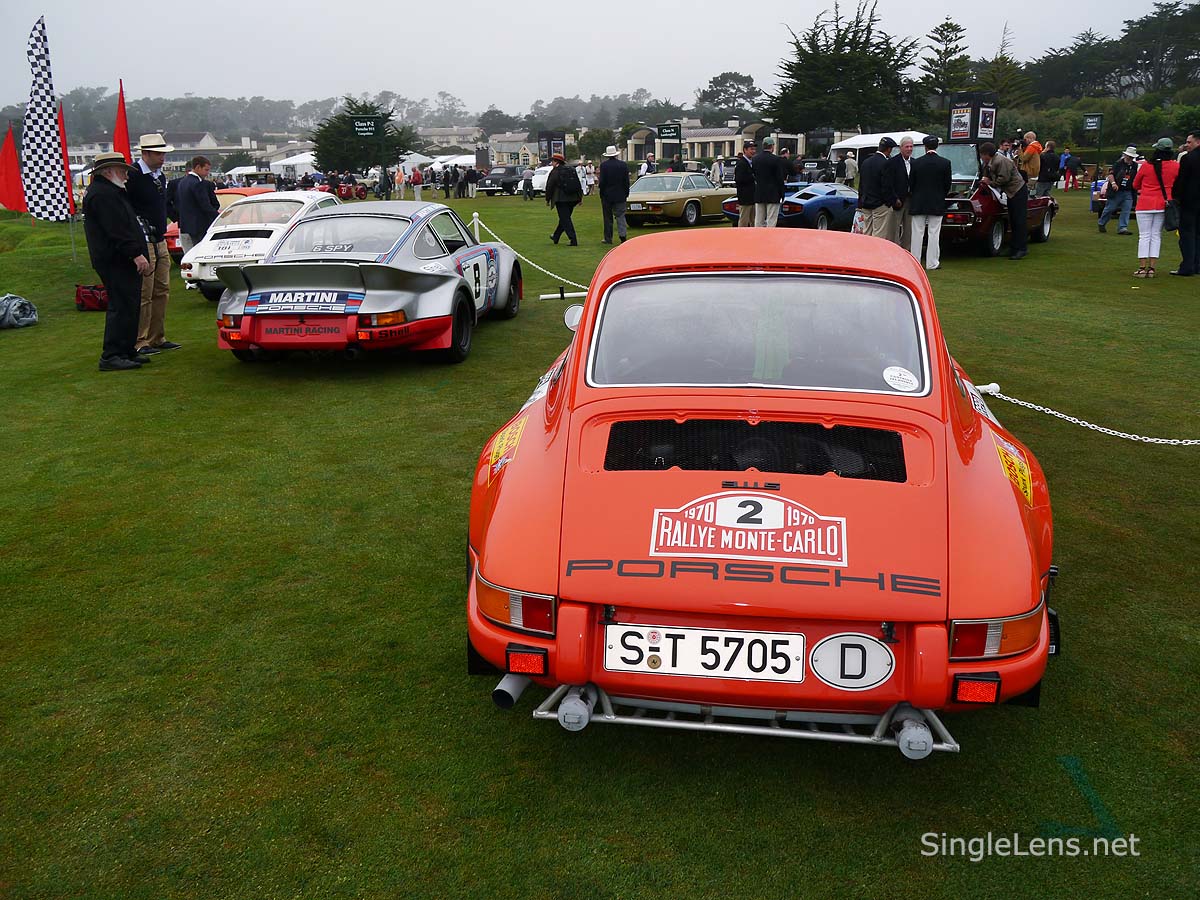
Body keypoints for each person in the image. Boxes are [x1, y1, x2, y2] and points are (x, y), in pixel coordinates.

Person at [83, 152, 152, 371]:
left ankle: (125, 349)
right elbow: (116, 229)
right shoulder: (103, 195)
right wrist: (135, 253)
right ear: (109, 172)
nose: (126, 176)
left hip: (120, 258)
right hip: (116, 260)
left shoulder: (112, 192)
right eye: (123, 171)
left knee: (130, 305)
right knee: (121, 306)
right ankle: (112, 354)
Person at [126, 133, 179, 356]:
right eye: (158, 154)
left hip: (159, 238)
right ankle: (140, 340)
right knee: (145, 293)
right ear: (145, 154)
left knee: (162, 289)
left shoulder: (160, 177)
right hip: (143, 239)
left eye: (163, 153)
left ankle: (157, 336)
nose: (163, 158)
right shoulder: (133, 176)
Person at [1131, 138, 1180, 278]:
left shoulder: (1147, 165)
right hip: (1163, 203)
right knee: (1156, 235)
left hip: (1145, 203)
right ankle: (1152, 268)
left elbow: (1135, 185)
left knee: (1144, 236)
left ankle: (1141, 268)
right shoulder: (1175, 166)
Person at [908, 135, 952, 271]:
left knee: (917, 233)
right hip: (937, 201)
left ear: (925, 147)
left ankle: (915, 261)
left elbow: (911, 183)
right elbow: (947, 185)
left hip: (918, 201)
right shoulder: (945, 163)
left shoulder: (916, 163)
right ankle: (932, 262)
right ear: (937, 146)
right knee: (934, 233)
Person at [979, 141, 1028, 260]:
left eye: (982, 155)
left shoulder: (1000, 161)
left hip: (1017, 191)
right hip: (1011, 192)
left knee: (1019, 220)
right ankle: (1014, 248)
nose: (981, 157)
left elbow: (1003, 179)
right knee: (1013, 219)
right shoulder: (991, 162)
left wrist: (989, 182)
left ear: (986, 154)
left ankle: (1021, 249)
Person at [176, 155, 220, 254]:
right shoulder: (198, 184)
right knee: (201, 252)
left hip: (186, 224)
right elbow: (205, 205)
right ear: (197, 167)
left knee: (190, 253)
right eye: (206, 170)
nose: (207, 173)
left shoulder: (182, 182)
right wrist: (219, 218)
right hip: (199, 225)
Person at [857, 136, 897, 239]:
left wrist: (861, 200)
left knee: (867, 233)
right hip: (880, 204)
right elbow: (886, 186)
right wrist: (890, 201)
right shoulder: (886, 163)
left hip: (866, 202)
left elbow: (861, 184)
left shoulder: (866, 162)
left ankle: (866, 253)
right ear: (889, 149)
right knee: (879, 234)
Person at [1172, 130, 1200, 276]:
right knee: (1198, 234)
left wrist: (1176, 196)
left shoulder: (1188, 158)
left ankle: (1187, 266)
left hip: (1190, 202)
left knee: (1187, 235)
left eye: (1189, 142)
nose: (1187, 145)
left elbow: (1181, 180)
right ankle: (1197, 265)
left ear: (1198, 142)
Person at [1098, 146, 1138, 235]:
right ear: (1125, 155)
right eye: (1129, 156)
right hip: (1116, 191)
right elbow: (1111, 175)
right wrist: (1113, 184)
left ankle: (1122, 228)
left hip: (1128, 191)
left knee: (1126, 210)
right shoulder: (1118, 164)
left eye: (1132, 157)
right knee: (1110, 209)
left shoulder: (1134, 165)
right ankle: (1102, 223)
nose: (1130, 158)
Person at [545, 153, 582, 245]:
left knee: (565, 219)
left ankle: (573, 239)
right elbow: (577, 184)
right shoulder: (571, 169)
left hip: (561, 198)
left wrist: (547, 198)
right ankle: (556, 236)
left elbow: (550, 186)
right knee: (564, 218)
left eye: (553, 161)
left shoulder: (555, 172)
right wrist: (580, 197)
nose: (551, 163)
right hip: (573, 198)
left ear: (556, 162)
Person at [884, 135, 914, 246]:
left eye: (911, 147)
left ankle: (906, 250)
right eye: (907, 147)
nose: (909, 149)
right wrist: (894, 198)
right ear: (901, 147)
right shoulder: (892, 162)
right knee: (893, 229)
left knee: (909, 229)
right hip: (897, 201)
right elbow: (888, 183)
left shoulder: (915, 163)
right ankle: (893, 249)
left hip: (910, 200)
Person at [751, 135, 787, 227]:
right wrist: (782, 194)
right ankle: (769, 238)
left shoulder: (755, 159)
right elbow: (780, 178)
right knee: (771, 219)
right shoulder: (776, 159)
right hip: (773, 193)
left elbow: (754, 174)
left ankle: (758, 238)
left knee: (758, 219)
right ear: (772, 146)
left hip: (759, 192)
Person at [597, 144, 630, 244]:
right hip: (620, 195)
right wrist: (626, 193)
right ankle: (622, 236)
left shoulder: (604, 166)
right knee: (620, 216)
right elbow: (626, 181)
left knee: (607, 218)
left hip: (607, 195)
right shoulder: (623, 165)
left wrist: (601, 193)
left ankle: (608, 238)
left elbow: (602, 182)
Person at [732, 140, 756, 228]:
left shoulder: (751, 163)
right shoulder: (741, 164)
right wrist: (752, 177)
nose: (753, 151)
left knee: (753, 219)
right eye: (751, 149)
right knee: (744, 220)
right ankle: (741, 237)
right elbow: (739, 180)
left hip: (752, 197)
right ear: (745, 150)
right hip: (745, 198)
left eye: (754, 149)